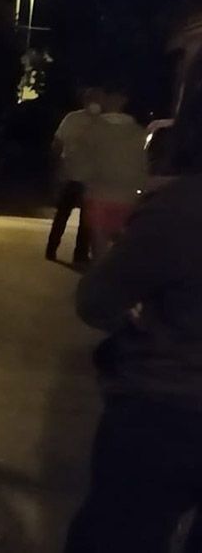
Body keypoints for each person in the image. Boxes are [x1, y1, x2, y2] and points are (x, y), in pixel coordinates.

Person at [66, 91, 202, 552]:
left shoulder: (183, 208)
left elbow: (96, 299)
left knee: (117, 534)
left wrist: (134, 320)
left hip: (167, 410)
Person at [78, 85, 148, 257]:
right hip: (128, 197)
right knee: (121, 249)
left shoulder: (93, 129)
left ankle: (100, 277)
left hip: (99, 195)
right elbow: (142, 166)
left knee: (99, 247)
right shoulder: (138, 132)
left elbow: (82, 163)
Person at [46, 88, 101, 264]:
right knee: (64, 215)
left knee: (83, 220)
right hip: (72, 175)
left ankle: (77, 254)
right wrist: (57, 167)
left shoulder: (102, 123)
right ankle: (55, 249)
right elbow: (58, 143)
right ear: (85, 101)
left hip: (89, 178)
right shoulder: (73, 119)